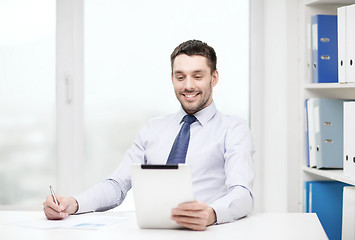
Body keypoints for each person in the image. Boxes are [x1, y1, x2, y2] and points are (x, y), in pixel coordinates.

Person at [43, 39, 255, 231]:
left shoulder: (233, 129)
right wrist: (73, 203)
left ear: (214, 78)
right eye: (180, 77)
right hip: (152, 234)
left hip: (206, 233)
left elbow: (242, 193)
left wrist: (211, 213)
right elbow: (117, 185)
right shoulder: (153, 129)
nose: (188, 85)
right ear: (172, 79)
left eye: (197, 76)